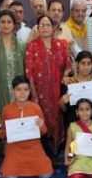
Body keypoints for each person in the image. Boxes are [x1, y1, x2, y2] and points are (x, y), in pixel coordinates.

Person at [26, 14, 73, 157]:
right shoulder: (31, 46)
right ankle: (44, 152)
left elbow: (69, 65)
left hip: (57, 91)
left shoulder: (62, 44)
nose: (45, 28)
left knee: (58, 117)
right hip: (40, 92)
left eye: (48, 25)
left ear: (53, 28)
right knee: (42, 118)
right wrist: (33, 95)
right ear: (37, 28)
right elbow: (29, 73)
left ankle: (57, 150)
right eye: (42, 25)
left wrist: (65, 74)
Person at [0, 75, 53, 178]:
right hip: (14, 149)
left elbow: (44, 131)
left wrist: (41, 126)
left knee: (46, 175)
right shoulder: (7, 110)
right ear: (13, 91)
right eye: (18, 90)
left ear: (30, 91)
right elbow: (3, 134)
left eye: (26, 89)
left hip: (34, 148)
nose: (22, 93)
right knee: (9, 177)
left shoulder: (36, 108)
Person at [61, 51, 92, 126]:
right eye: (83, 63)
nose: (86, 67)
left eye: (89, 63)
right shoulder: (68, 83)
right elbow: (64, 110)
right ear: (77, 64)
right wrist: (62, 102)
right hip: (74, 124)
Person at [0, 10, 26, 112]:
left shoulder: (21, 45)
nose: (6, 25)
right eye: (3, 22)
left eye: (9, 22)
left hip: (18, 89)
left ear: (14, 25)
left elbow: (25, 67)